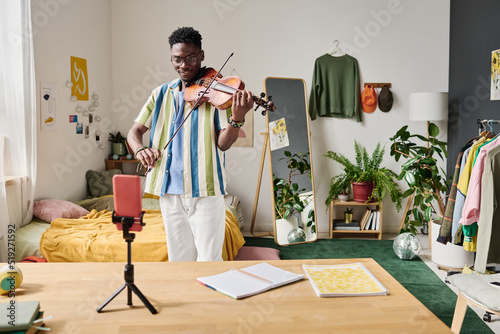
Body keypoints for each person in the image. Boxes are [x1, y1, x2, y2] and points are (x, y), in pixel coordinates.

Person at [127, 27, 254, 262]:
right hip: (169, 190)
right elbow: (134, 132)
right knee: (179, 260)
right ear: (171, 58)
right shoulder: (160, 94)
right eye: (177, 59)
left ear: (202, 55)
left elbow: (223, 144)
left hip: (205, 190)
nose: (184, 65)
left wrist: (236, 119)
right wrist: (140, 149)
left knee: (209, 260)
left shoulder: (215, 95)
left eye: (190, 58)